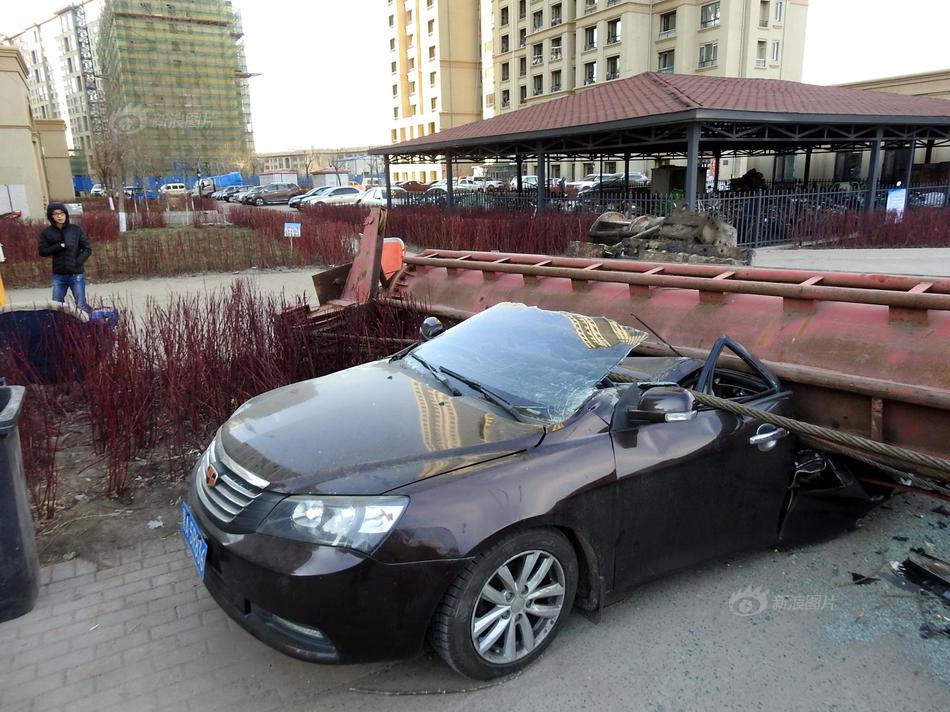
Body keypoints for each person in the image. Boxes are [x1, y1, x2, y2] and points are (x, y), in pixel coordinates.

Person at [38, 203, 92, 310]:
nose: (60, 216)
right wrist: (59, 246)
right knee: (56, 306)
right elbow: (43, 252)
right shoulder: (47, 233)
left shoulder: (75, 229)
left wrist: (78, 262)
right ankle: (59, 325)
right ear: (51, 216)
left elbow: (87, 249)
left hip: (76, 275)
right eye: (56, 214)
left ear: (66, 214)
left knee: (81, 305)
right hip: (59, 275)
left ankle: (87, 325)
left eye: (62, 213)